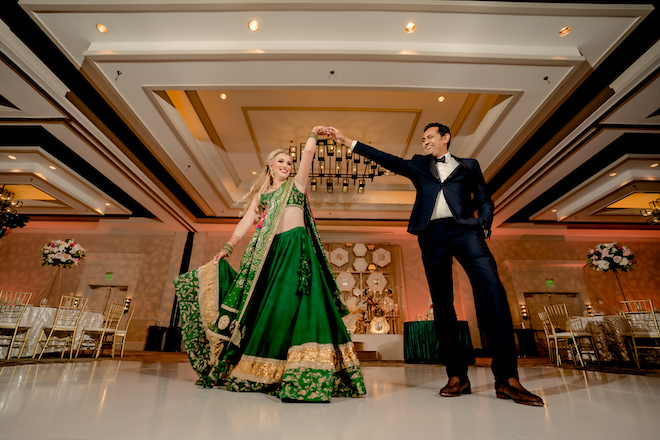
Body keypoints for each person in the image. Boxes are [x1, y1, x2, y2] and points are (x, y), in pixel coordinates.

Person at [327, 123, 544, 406]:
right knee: (443, 304)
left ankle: (507, 379)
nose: (425, 141)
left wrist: (484, 223)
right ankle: (457, 375)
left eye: (430, 137)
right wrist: (347, 141)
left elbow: (484, 199)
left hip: (467, 232)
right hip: (432, 235)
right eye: (423, 138)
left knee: (492, 292)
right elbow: (387, 159)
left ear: (446, 138)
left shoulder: (469, 165)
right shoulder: (418, 165)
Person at [174, 126, 366, 402]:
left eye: (290, 162)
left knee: (299, 304)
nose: (287, 165)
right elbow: (245, 222)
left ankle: (305, 370)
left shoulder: (297, 186)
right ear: (269, 166)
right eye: (281, 161)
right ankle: (267, 368)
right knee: (270, 307)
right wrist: (227, 247)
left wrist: (313, 135)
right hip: (271, 253)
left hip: (297, 248)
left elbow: (309, 153)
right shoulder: (262, 197)